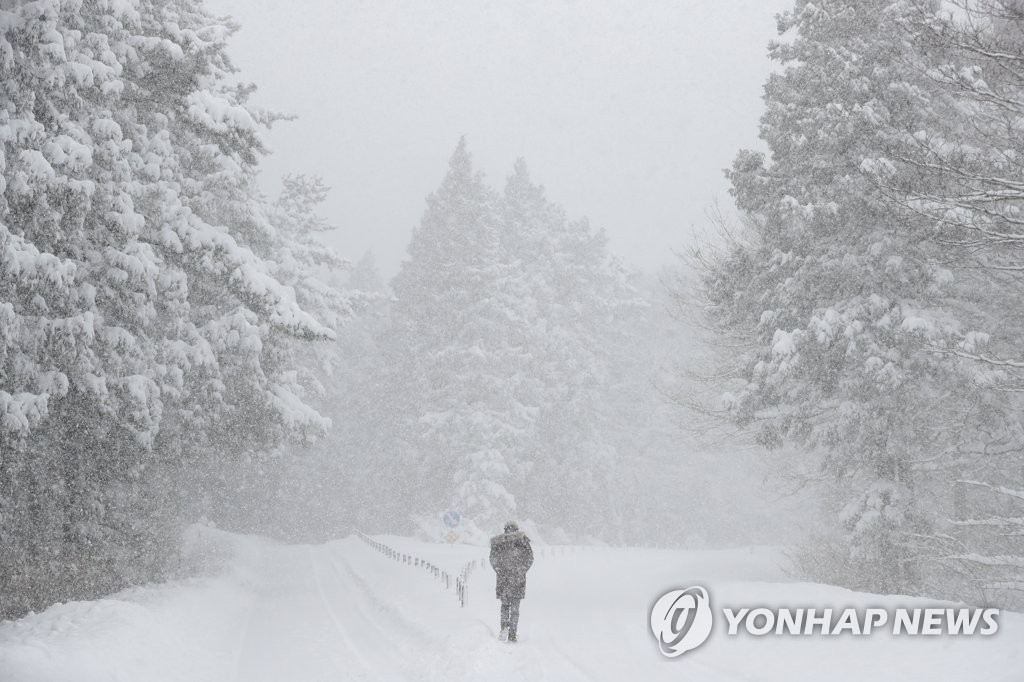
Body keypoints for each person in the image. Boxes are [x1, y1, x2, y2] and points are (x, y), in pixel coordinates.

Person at [489, 521, 534, 642]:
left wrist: (500, 571)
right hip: (518, 580)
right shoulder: (523, 541)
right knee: (515, 608)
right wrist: (521, 571)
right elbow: (530, 558)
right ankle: (512, 633)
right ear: (516, 529)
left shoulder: (498, 542)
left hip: (504, 580)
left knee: (504, 606)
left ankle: (504, 629)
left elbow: (493, 559)